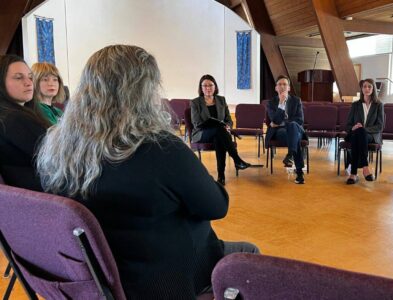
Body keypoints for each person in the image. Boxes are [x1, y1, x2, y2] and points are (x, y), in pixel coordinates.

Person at [36, 45, 258, 299]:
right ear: (143, 92)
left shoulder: (57, 148)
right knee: (248, 253)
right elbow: (217, 206)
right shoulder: (160, 148)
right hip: (170, 280)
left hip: (101, 282)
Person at [0, 55, 49, 191]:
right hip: (44, 193)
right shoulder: (13, 118)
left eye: (30, 77)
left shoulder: (19, 113)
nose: (28, 83)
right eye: (18, 77)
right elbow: (55, 158)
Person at [190, 74, 251, 186]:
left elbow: (229, 120)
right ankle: (237, 160)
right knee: (219, 129)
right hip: (202, 133)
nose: (208, 88)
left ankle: (221, 176)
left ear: (215, 86)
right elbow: (196, 123)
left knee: (219, 137)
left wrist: (228, 126)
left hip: (219, 133)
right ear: (201, 88)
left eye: (210, 85)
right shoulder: (195, 102)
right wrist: (216, 125)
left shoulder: (221, 100)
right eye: (205, 85)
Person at [265, 75, 307, 184]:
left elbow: (300, 120)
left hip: (296, 129)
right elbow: (274, 119)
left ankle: (291, 155)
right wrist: (281, 104)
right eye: (280, 84)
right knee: (294, 136)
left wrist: (281, 123)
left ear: (289, 88)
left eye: (285, 84)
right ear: (276, 88)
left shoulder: (296, 100)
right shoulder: (271, 103)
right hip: (280, 133)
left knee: (293, 126)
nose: (282, 86)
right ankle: (298, 171)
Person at [345, 78, 384, 184]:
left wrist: (363, 128)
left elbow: (380, 126)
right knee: (358, 134)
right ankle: (365, 167)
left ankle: (353, 174)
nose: (367, 88)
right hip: (355, 133)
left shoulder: (379, 105)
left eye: (369, 86)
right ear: (362, 89)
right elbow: (348, 125)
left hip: (371, 135)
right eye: (364, 86)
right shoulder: (355, 105)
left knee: (360, 133)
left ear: (373, 89)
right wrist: (352, 128)